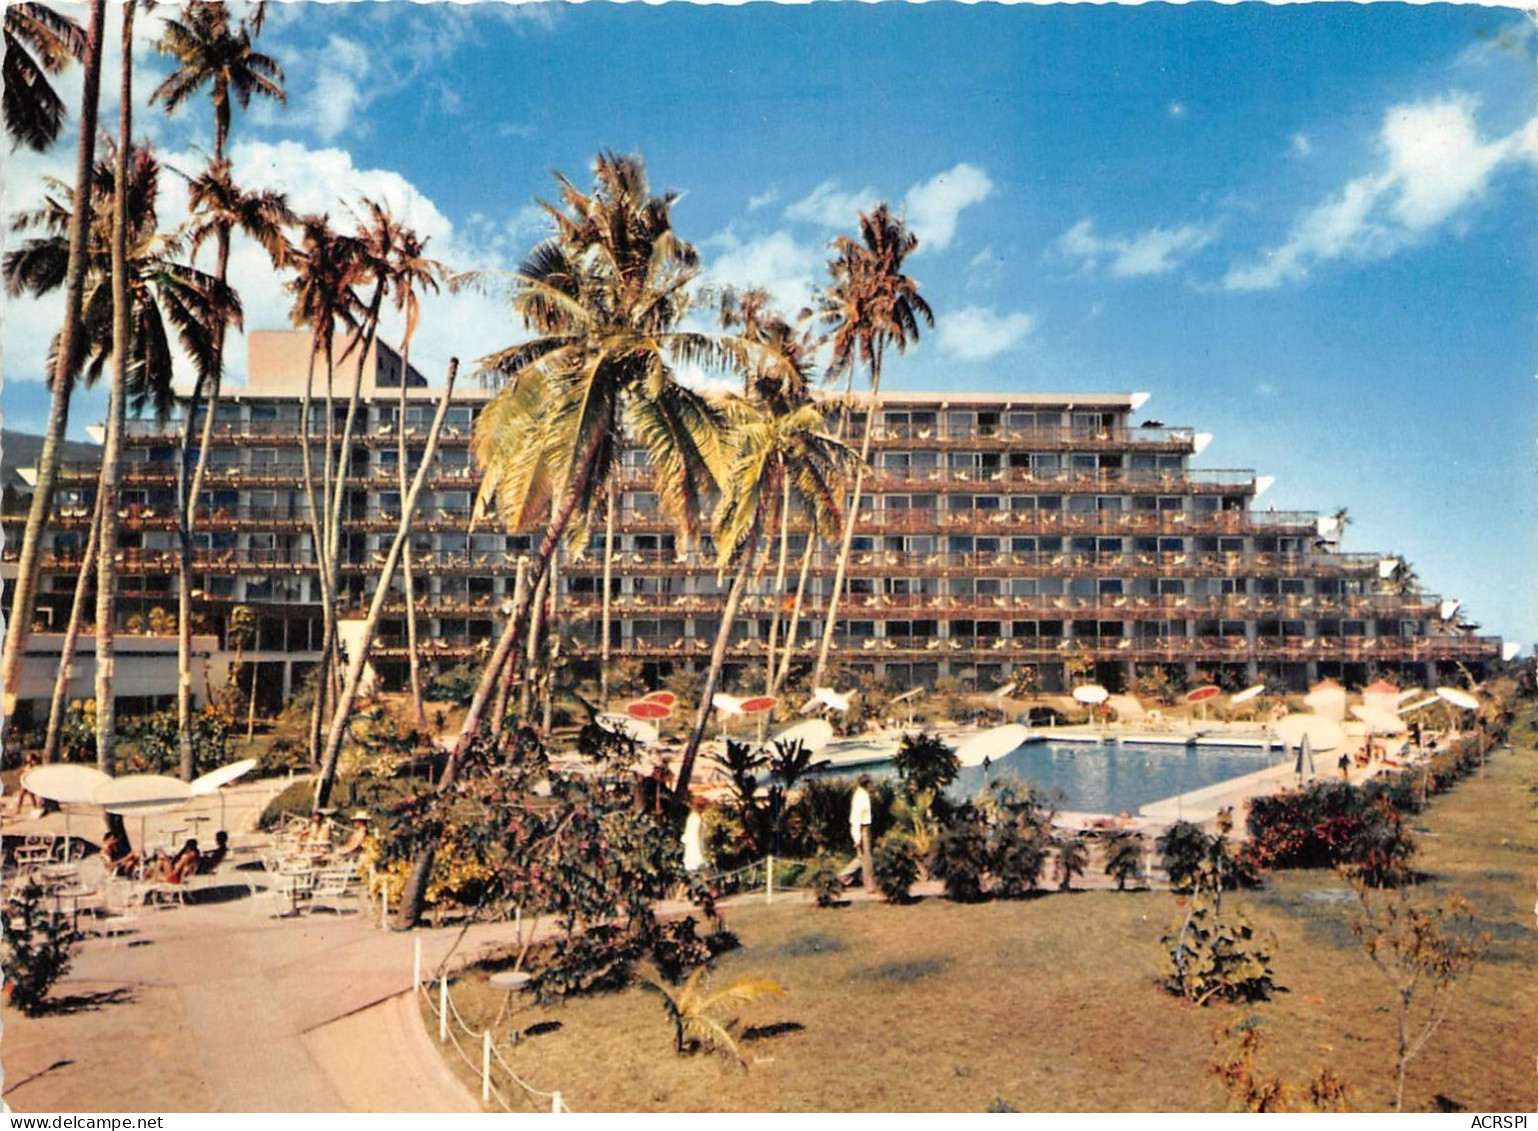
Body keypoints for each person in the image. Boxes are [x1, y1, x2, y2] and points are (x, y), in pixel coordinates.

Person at [839, 774, 876, 893]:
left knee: (862, 858)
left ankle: (841, 879)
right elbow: (856, 818)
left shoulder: (863, 794)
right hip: (862, 828)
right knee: (866, 858)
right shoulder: (860, 796)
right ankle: (870, 886)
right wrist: (857, 838)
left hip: (865, 827)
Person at [101, 814, 141, 878]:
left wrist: (127, 858)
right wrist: (128, 858)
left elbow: (111, 865)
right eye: (113, 840)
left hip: (121, 863)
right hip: (119, 866)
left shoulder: (107, 851)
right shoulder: (104, 853)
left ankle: (113, 817)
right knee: (120, 833)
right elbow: (110, 866)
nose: (115, 841)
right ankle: (115, 817)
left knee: (118, 832)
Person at [681, 796, 708, 873]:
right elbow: (694, 837)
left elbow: (685, 838)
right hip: (697, 859)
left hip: (693, 859)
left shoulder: (694, 817)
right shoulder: (696, 819)